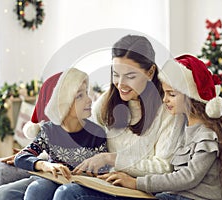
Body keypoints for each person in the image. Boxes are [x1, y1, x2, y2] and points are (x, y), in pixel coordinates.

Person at [96, 54, 222, 200]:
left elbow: (189, 177)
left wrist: (136, 183)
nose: (165, 99)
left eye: (171, 94)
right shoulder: (184, 127)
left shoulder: (207, 134)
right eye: (165, 93)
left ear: (190, 97)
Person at [52, 35, 183, 199]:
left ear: (150, 72)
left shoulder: (167, 110)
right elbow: (84, 140)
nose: (120, 84)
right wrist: (39, 155)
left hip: (138, 190)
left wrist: (111, 159)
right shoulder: (106, 103)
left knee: (67, 194)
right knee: (36, 190)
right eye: (116, 74)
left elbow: (165, 167)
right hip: (107, 182)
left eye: (130, 76)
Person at [0, 68, 108, 200]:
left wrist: (92, 171)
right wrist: (45, 165)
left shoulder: (97, 133)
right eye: (80, 96)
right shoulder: (49, 130)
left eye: (86, 93)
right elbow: (22, 157)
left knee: (39, 190)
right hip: (50, 179)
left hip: (77, 186)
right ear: (64, 102)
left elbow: (104, 170)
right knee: (3, 193)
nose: (89, 100)